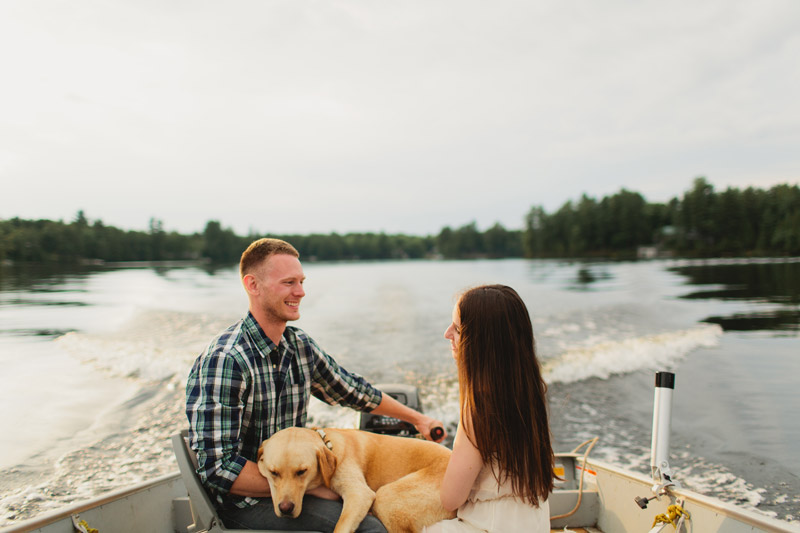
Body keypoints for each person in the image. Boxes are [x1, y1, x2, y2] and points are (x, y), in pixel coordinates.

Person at [185, 238, 445, 532]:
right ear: (252, 285)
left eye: (301, 281)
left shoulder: (298, 345)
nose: (300, 292)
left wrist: (418, 419)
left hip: (300, 481)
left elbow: (353, 391)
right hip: (243, 503)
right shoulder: (226, 360)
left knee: (376, 507)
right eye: (288, 283)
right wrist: (311, 487)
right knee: (371, 528)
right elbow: (217, 469)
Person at [424, 285, 555, 533]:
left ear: (482, 344)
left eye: (457, 329)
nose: (447, 334)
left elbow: (450, 499)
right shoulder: (529, 395)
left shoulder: (478, 409)